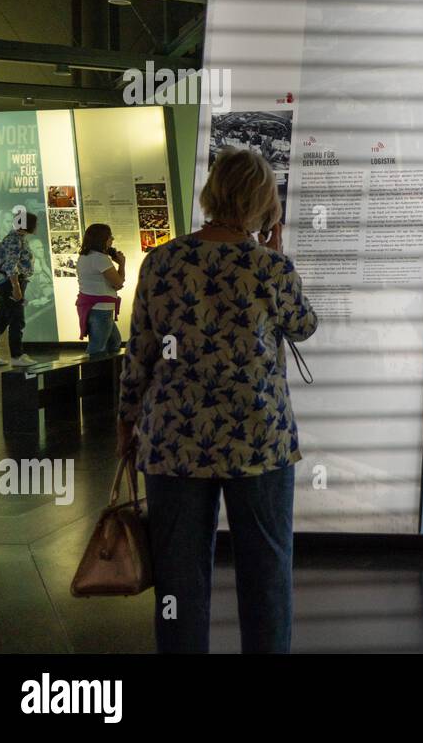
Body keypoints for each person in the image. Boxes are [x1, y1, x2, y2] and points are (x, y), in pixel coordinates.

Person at [118, 147, 318, 653]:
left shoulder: (162, 261)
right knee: (267, 569)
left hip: (174, 440)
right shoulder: (269, 268)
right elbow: (304, 326)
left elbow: (139, 351)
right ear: (263, 203)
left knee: (178, 579)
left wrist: (126, 422)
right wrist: (274, 251)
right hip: (258, 439)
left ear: (212, 193)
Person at [0, 212, 39, 368]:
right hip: (10, 284)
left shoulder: (16, 238)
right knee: (17, 319)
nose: (36, 226)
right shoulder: (14, 240)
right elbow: (10, 266)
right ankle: (16, 355)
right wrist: (16, 288)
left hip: (8, 283)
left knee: (2, 319)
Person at [76, 224, 126, 357]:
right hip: (101, 310)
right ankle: (96, 373)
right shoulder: (100, 259)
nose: (112, 239)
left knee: (114, 342)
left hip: (95, 307)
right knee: (98, 348)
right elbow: (118, 283)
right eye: (109, 236)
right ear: (102, 239)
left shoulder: (85, 256)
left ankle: (108, 372)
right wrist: (122, 264)